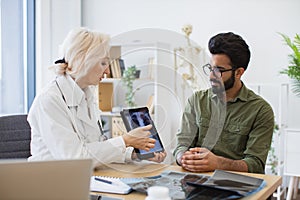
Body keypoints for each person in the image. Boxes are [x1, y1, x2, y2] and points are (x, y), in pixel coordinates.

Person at [28, 27, 166, 166]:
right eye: (103, 63)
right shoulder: (49, 100)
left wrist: (135, 154)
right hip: (51, 181)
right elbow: (74, 158)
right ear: (83, 61)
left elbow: (97, 148)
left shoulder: (88, 94)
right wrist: (125, 140)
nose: (107, 71)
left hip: (84, 177)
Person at [173, 32, 274, 174]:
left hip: (236, 185)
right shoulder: (197, 100)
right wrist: (183, 157)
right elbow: (181, 145)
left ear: (238, 72)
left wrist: (218, 163)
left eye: (219, 70)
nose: (211, 76)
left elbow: (255, 164)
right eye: (211, 68)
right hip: (195, 180)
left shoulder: (260, 110)